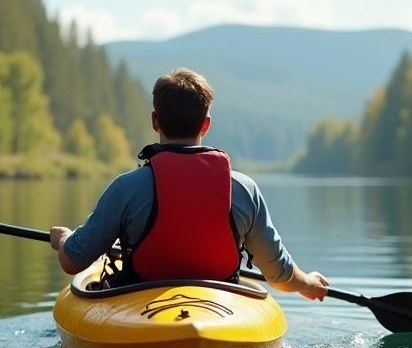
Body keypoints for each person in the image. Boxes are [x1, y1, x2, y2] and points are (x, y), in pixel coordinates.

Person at [49, 68, 330, 301]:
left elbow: (73, 261)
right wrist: (307, 283)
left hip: (139, 303)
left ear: (155, 121)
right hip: (219, 307)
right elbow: (279, 276)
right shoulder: (245, 190)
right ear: (205, 125)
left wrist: (63, 239)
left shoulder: (126, 188)